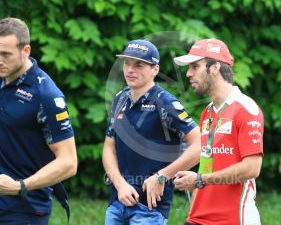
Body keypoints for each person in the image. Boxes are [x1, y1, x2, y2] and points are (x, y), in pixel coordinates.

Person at [102, 39, 201, 225]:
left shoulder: (165, 102)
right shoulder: (120, 99)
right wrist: (120, 184)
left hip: (149, 209)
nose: (130, 70)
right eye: (127, 63)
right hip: (118, 201)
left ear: (155, 70)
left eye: (139, 65)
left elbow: (200, 145)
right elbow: (109, 148)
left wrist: (162, 176)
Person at [173, 39, 264, 225]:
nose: (189, 74)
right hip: (200, 218)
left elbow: (252, 168)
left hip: (234, 218)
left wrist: (200, 180)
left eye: (195, 66)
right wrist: (193, 213)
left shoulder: (245, 108)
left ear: (214, 67)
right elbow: (206, 166)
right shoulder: (207, 112)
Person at [0, 17, 77, 224]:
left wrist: (20, 186)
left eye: (6, 54)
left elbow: (69, 163)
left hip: (22, 210)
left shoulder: (46, 95)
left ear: (26, 51)